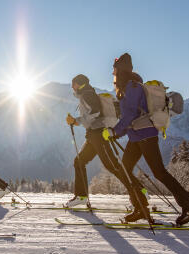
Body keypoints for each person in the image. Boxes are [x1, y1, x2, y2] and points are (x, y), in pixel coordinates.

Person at [103, 53, 189, 226]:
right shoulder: (128, 87)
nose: (113, 73)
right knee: (124, 170)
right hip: (136, 137)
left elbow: (130, 115)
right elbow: (131, 120)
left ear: (121, 70)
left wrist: (114, 131)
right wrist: (117, 132)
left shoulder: (133, 87)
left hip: (146, 135)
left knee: (159, 172)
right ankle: (140, 207)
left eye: (115, 69)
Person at [64, 74, 149, 214]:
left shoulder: (87, 95)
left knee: (113, 166)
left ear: (80, 84)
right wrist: (78, 121)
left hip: (98, 135)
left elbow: (95, 113)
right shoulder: (86, 94)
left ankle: (140, 193)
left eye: (74, 84)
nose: (72, 86)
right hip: (92, 135)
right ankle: (81, 196)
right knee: (79, 161)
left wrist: (76, 121)